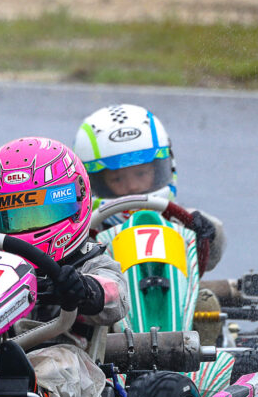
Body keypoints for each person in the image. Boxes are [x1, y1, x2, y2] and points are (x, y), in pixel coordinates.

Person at [0, 137, 131, 397]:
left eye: (39, 213)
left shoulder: (90, 261)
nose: (26, 229)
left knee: (61, 365)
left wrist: (85, 289)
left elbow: (115, 296)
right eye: (12, 218)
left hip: (66, 361)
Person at [72, 103, 226, 272]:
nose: (132, 186)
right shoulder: (85, 234)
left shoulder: (179, 221)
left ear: (159, 169)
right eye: (117, 179)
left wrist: (207, 234)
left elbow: (212, 258)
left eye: (141, 174)